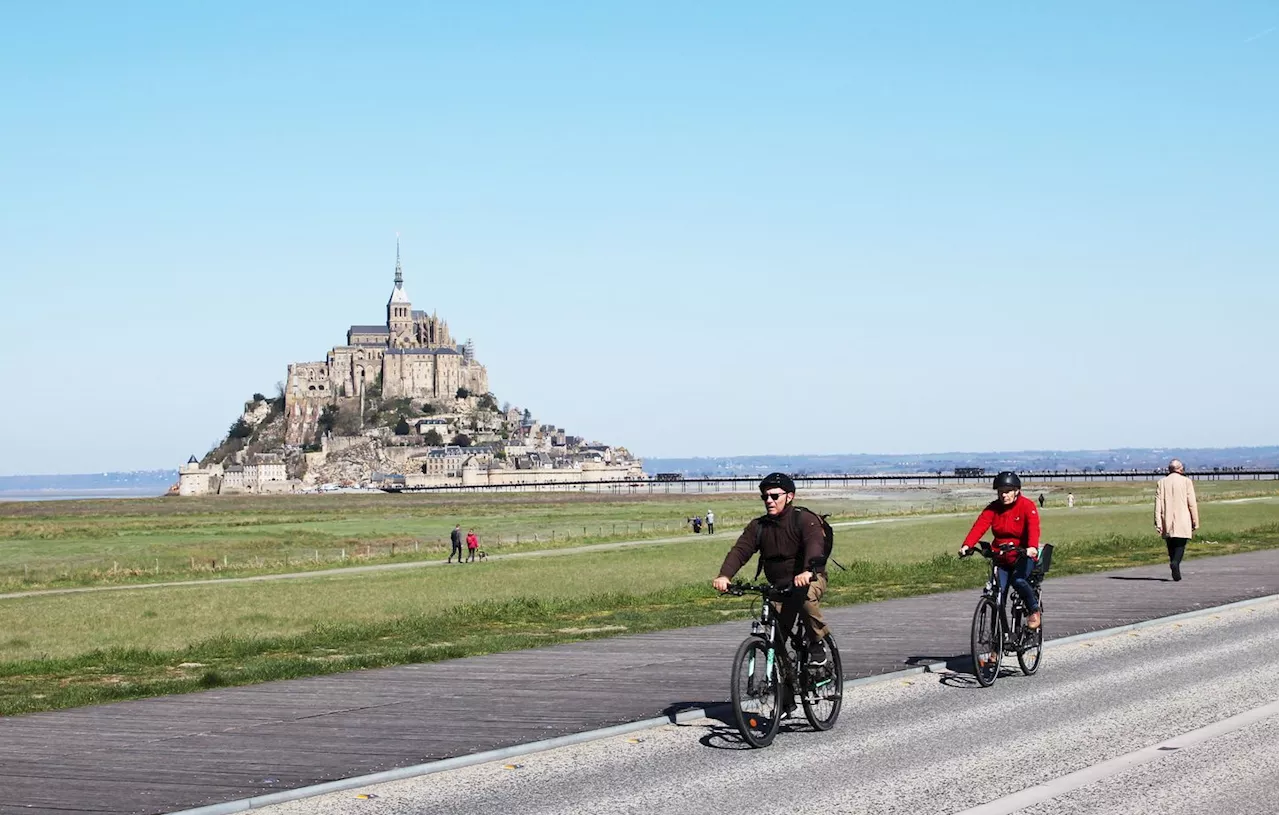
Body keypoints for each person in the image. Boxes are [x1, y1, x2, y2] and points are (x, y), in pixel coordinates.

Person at [713, 473, 831, 666]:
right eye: (765, 497)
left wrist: (808, 571)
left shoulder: (803, 519)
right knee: (775, 640)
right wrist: (725, 575)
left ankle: (817, 643)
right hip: (778, 585)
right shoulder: (759, 526)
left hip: (810, 578)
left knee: (806, 598)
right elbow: (741, 550)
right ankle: (783, 687)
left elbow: (815, 545)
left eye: (774, 496)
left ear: (789, 496)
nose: (769, 501)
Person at [958, 471, 1042, 629]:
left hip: (1021, 555)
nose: (1004, 495)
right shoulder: (993, 508)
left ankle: (1033, 610)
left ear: (1016, 491)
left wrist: (1031, 547)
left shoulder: (1027, 506)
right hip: (1001, 557)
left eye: (1008, 491)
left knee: (1019, 581)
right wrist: (967, 545)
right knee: (997, 597)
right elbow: (980, 525)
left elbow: (1033, 528)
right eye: (1000, 492)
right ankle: (997, 644)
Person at [1155, 459, 1199, 582]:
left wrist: (1158, 522)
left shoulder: (1162, 482)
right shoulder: (1186, 482)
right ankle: (1175, 563)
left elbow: (1158, 504)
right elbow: (1192, 504)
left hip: (1167, 518)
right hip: (1183, 517)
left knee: (1170, 544)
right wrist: (1195, 520)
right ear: (1180, 469)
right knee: (1180, 543)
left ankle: (1174, 564)